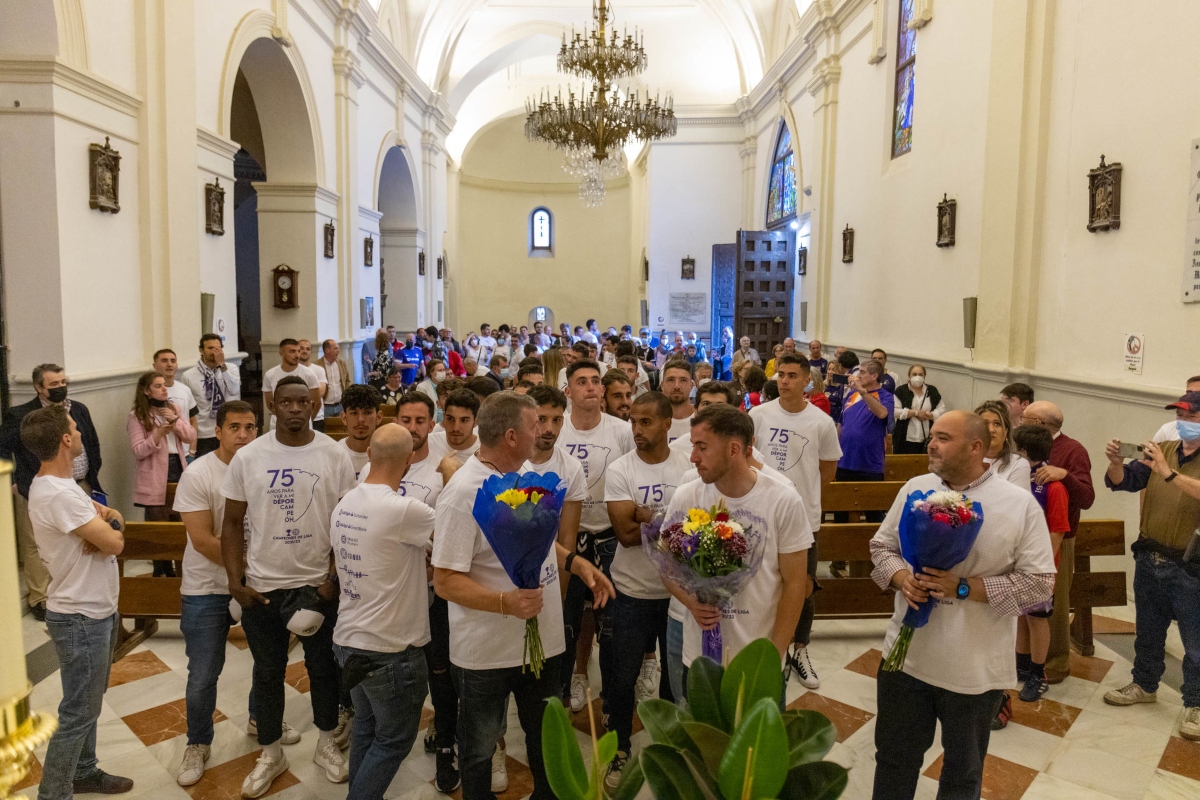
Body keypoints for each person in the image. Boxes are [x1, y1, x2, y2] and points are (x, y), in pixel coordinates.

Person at [431, 391, 614, 800]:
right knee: (479, 748)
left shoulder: (525, 472)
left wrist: (573, 563)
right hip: (486, 652)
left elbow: (537, 540)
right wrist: (504, 603)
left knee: (545, 737)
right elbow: (444, 579)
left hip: (542, 644)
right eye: (535, 426)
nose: (544, 433)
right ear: (512, 435)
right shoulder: (463, 493)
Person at [869, 411, 1055, 799]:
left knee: (962, 773)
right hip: (906, 660)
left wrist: (965, 588)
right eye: (931, 436)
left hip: (972, 669)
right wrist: (904, 579)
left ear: (975, 447)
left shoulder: (1017, 505)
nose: (931, 444)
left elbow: (1040, 584)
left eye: (942, 437)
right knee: (894, 760)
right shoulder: (915, 488)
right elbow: (882, 547)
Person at [220, 376, 357, 797]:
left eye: (303, 401)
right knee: (266, 672)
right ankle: (271, 752)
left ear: (314, 405)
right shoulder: (249, 456)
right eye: (286, 402)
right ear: (273, 406)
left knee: (323, 670)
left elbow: (346, 521)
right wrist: (235, 582)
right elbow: (230, 523)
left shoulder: (333, 455)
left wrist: (333, 578)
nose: (295, 408)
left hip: (316, 584)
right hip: (263, 586)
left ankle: (325, 743)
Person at [22, 406, 132, 799]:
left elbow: (108, 532)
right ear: (66, 440)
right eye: (74, 427)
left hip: (94, 609)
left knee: (89, 702)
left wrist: (107, 522)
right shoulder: (58, 493)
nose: (80, 431)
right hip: (79, 614)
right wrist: (109, 527)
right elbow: (116, 542)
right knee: (77, 711)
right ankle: (53, 793)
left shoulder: (66, 488)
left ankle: (84, 771)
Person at [331, 424, 436, 798]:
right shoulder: (406, 509)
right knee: (393, 741)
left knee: (367, 729)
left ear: (370, 456)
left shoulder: (345, 503)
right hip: (391, 651)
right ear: (409, 460)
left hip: (348, 641)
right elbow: (455, 534)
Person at [667, 404, 810, 678]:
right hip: (700, 656)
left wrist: (773, 656)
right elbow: (668, 567)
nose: (693, 457)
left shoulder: (783, 499)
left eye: (702, 447)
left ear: (733, 449)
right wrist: (691, 603)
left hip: (757, 655)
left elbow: (795, 584)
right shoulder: (687, 495)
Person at [172, 401, 268, 786]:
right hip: (206, 587)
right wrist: (244, 574)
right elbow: (201, 540)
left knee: (267, 662)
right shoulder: (199, 474)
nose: (243, 435)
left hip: (258, 581)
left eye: (250, 427)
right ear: (220, 431)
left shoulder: (263, 468)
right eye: (235, 427)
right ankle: (198, 742)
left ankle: (261, 719)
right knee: (203, 674)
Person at [1101, 391, 1200, 740]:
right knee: (1148, 629)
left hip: (1190, 566)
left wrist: (1168, 473)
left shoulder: (1167, 462)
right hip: (1150, 557)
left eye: (1191, 416)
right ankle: (1144, 684)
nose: (1183, 423)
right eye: (1180, 416)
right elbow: (1124, 482)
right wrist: (1115, 462)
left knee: (1195, 641)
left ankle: (1196, 704)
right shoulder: (1166, 450)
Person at [603, 392, 691, 786]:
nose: (637, 430)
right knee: (621, 680)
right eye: (633, 422)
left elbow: (700, 530)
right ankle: (619, 748)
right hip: (631, 592)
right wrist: (671, 521)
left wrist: (648, 516)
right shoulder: (621, 469)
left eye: (646, 422)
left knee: (675, 685)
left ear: (667, 423)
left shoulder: (689, 467)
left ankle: (670, 752)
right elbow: (624, 534)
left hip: (679, 596)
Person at [750, 353, 841, 689]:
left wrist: (796, 494)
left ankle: (799, 649)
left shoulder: (821, 422)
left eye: (792, 375)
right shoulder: (758, 415)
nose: (784, 381)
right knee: (760, 580)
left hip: (803, 517)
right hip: (760, 513)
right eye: (781, 375)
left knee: (803, 585)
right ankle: (764, 645)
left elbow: (827, 471)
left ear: (807, 381)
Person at [387, 392, 462, 792]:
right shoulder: (381, 464)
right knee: (395, 670)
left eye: (420, 420)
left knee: (441, 672)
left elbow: (455, 526)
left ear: (432, 424)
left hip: (433, 590)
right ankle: (389, 740)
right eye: (405, 419)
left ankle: (448, 742)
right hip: (391, 591)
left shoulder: (444, 468)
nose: (412, 427)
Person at [558, 359, 636, 718]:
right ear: (568, 391)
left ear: (602, 390)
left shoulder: (620, 430)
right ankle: (574, 676)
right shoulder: (558, 431)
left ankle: (611, 695)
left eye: (595, 382)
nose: (590, 387)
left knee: (611, 622)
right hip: (569, 536)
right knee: (569, 616)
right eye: (581, 382)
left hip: (608, 534)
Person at [0, 364, 103, 622]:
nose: (60, 388)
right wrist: (13, 480)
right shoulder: (21, 414)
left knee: (81, 537)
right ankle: (39, 597)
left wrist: (93, 474)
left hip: (80, 483)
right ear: (38, 388)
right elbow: (3, 449)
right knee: (35, 543)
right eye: (54, 384)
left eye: (63, 382)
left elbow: (92, 442)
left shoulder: (78, 409)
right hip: (37, 487)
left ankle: (75, 590)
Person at [1020, 400, 1094, 684]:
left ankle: (1055, 664)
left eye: (1025, 417)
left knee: (1053, 607)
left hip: (1057, 539)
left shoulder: (1072, 450)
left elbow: (1086, 497)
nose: (1020, 419)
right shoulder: (1022, 445)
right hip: (1024, 539)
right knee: (1024, 609)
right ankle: (1025, 660)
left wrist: (1065, 475)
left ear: (1039, 424)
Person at [1011, 424, 1069, 703]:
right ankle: (1021, 665)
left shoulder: (1053, 487)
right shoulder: (1021, 478)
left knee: (1037, 619)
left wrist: (1042, 566)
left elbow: (1057, 529)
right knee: (1022, 616)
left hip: (1039, 567)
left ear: (1022, 452)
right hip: (1016, 562)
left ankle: (1037, 673)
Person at [127, 371, 196, 577]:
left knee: (178, 526)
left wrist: (176, 421)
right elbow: (139, 451)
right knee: (158, 531)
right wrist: (156, 435)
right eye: (158, 386)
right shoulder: (136, 416)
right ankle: (161, 573)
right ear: (147, 392)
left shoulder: (173, 408)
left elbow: (191, 435)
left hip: (178, 467)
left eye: (164, 385)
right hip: (155, 474)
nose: (164, 388)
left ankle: (180, 573)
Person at [836, 360, 894, 508]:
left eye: (862, 372)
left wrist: (863, 392)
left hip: (869, 463)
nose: (858, 375)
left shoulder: (885, 396)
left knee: (872, 510)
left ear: (874, 375)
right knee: (841, 509)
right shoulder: (851, 396)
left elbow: (882, 413)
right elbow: (842, 423)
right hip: (845, 460)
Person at [182, 334, 242, 456]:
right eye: (210, 348)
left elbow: (234, 390)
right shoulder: (188, 376)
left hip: (228, 429)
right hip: (203, 434)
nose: (214, 352)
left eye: (218, 348)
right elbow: (187, 410)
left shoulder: (231, 368)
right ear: (201, 350)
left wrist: (222, 366)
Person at [263, 339, 322, 431]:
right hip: (278, 425)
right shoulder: (270, 374)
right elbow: (270, 403)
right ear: (281, 353)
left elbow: (316, 402)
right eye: (292, 351)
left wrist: (307, 419)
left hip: (303, 424)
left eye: (298, 351)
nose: (297, 355)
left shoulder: (309, 374)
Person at [153, 348, 200, 459]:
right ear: (155, 365)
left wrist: (192, 450)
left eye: (173, 361)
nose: (169, 364)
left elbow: (193, 420)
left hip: (186, 454)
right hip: (161, 455)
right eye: (164, 361)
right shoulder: (151, 392)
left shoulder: (185, 390)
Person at [975, 400, 1030, 487]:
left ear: (1006, 432)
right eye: (985, 423)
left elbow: (1017, 499)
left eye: (997, 424)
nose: (991, 430)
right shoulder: (963, 460)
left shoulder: (1018, 464)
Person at [893, 365, 945, 454]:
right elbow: (894, 411)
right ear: (909, 376)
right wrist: (915, 413)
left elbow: (942, 409)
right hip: (905, 437)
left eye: (920, 374)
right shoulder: (901, 390)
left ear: (924, 376)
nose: (917, 377)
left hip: (927, 437)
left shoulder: (932, 390)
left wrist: (931, 415)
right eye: (914, 374)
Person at [339, 384, 383, 478]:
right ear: (344, 418)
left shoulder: (389, 454)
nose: (360, 419)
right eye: (354, 413)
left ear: (378, 417)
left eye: (367, 412)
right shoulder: (334, 454)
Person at [430, 388, 481, 465]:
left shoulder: (485, 451)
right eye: (450, 419)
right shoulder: (429, 443)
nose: (455, 428)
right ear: (444, 416)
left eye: (464, 420)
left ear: (476, 421)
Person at [1152, 375, 1200, 443]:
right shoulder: (1168, 429)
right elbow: (1149, 452)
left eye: (1198, 393)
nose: (1192, 396)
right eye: (1189, 393)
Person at [296, 339, 329, 432]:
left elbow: (320, 393)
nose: (304, 351)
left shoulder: (319, 370)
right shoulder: (291, 370)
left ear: (310, 352)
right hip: (297, 416)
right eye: (301, 348)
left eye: (307, 349)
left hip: (317, 416)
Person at [659, 360, 695, 444]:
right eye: (671, 380)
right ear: (662, 385)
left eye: (683, 380)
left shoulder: (703, 420)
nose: (677, 386)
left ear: (691, 385)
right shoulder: (651, 421)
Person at [318, 339, 351, 419]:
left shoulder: (342, 363)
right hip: (325, 407)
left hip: (340, 406)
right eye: (335, 348)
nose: (338, 351)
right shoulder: (318, 365)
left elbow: (347, 381)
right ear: (327, 350)